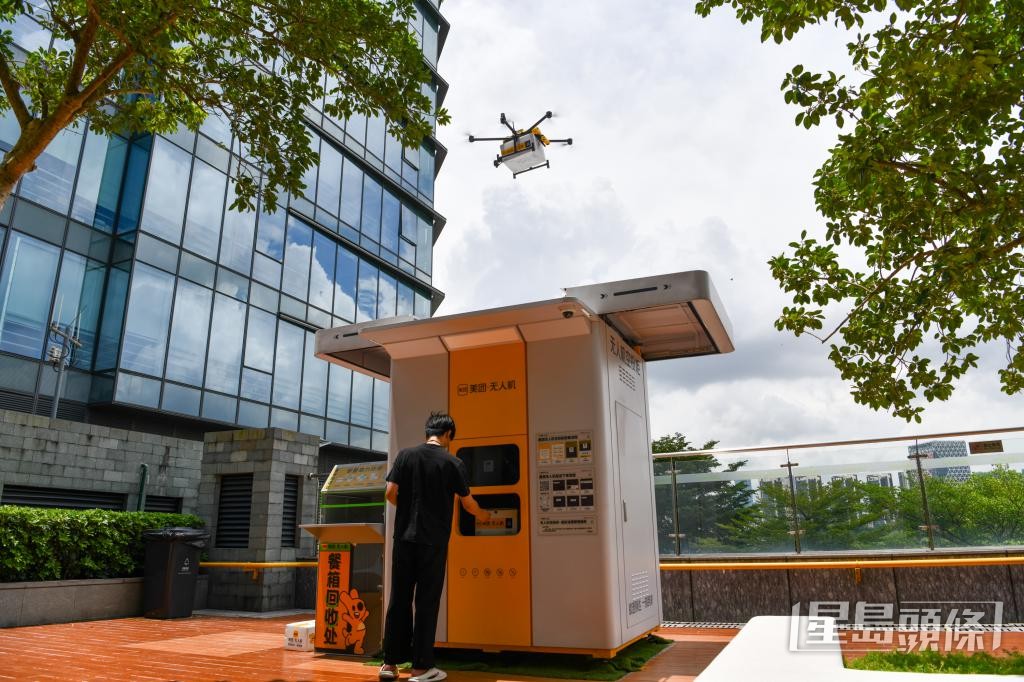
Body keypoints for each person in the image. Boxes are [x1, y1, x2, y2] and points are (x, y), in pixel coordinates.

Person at [379, 412, 490, 682]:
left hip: (404, 540)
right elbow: (468, 504)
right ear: (448, 434)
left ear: (427, 432)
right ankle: (421, 668)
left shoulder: (405, 456)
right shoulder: (453, 462)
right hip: (433, 542)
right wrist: (485, 515)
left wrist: (407, 510)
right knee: (426, 602)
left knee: (399, 599)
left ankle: (389, 665)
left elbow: (390, 493)